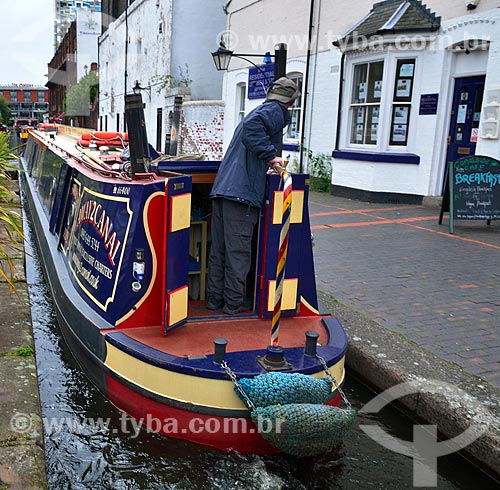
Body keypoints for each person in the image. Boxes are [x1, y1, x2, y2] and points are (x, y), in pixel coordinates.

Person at [206, 77, 300, 315]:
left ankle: (214, 300)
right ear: (290, 102)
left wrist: (262, 162)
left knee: (219, 251)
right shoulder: (274, 111)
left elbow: (249, 135)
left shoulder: (259, 109)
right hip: (241, 195)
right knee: (238, 254)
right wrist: (271, 156)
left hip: (223, 190)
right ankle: (234, 304)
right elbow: (254, 128)